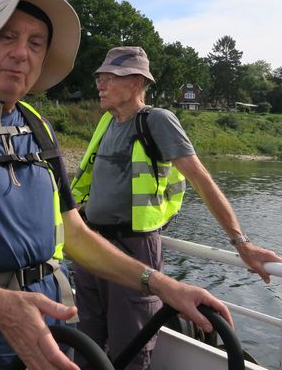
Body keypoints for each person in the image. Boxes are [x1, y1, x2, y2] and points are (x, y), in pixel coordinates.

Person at [0, 0, 233, 370]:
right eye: (8, 37)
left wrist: (164, 285)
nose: (21, 53)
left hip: (52, 341)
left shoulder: (39, 129)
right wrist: (3, 308)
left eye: (36, 43)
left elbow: (77, 236)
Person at [70, 46, 282, 369]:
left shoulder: (157, 121)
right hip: (92, 248)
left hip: (134, 250)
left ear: (137, 82)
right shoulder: (105, 124)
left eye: (110, 77)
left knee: (130, 348)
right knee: (88, 344)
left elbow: (202, 180)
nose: (100, 84)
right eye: (100, 77)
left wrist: (242, 243)